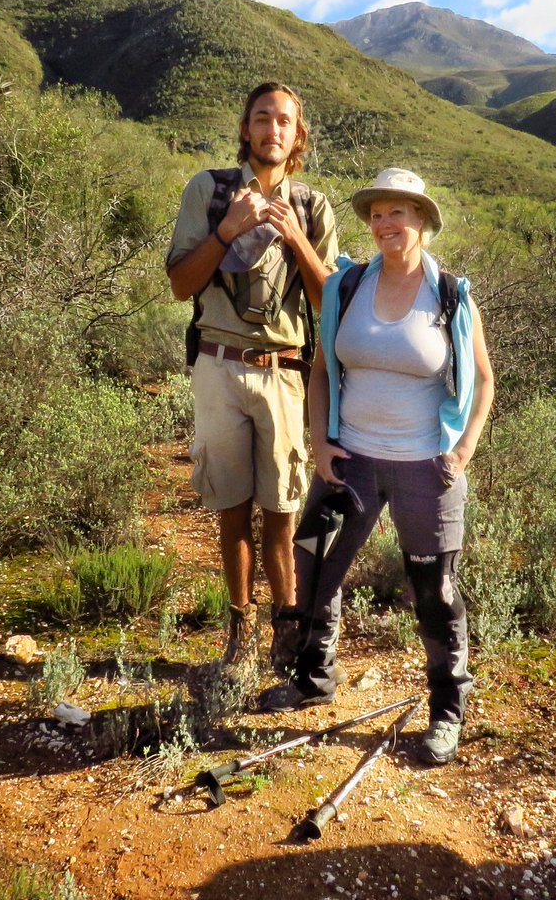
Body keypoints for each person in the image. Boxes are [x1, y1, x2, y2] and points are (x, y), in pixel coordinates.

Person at [259, 168, 495, 766]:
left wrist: (462, 451)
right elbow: (319, 369)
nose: (386, 223)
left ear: (422, 221)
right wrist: (320, 439)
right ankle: (314, 679)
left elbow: (484, 381)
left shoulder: (451, 294)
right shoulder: (347, 285)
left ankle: (447, 709)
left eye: (400, 212)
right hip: (351, 460)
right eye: (378, 213)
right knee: (314, 565)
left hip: (425, 467)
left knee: (434, 590)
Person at [166, 82, 338, 673]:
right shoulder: (208, 192)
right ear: (246, 129)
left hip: (287, 374)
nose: (272, 130)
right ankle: (239, 631)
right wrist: (226, 231)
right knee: (231, 508)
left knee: (283, 514)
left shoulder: (314, 208)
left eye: (284, 121)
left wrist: (295, 239)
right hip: (218, 365)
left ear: (297, 135)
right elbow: (181, 284)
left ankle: (286, 634)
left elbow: (329, 305)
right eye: (262, 118)